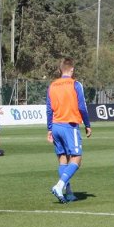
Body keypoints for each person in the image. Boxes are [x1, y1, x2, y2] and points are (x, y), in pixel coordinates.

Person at [46, 58, 92, 203]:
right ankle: (59, 186)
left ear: (60, 69)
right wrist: (87, 124)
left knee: (62, 159)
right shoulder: (75, 84)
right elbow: (82, 107)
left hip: (56, 126)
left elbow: (49, 109)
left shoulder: (52, 85)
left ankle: (69, 193)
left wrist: (49, 128)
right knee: (77, 158)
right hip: (69, 125)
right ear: (72, 69)